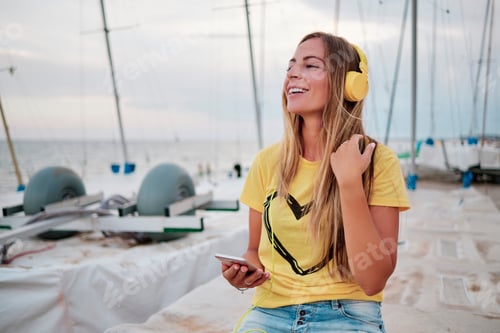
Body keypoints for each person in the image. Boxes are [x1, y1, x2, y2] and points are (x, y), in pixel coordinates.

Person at [221, 31, 410, 333]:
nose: (293, 73)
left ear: (350, 86)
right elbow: (254, 250)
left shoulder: (377, 161)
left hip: (347, 312)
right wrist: (245, 271)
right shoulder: (266, 162)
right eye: (291, 66)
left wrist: (349, 183)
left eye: (310, 65)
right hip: (271, 311)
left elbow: (373, 280)